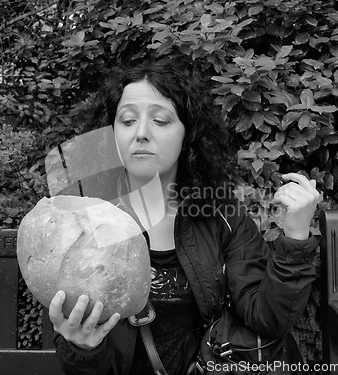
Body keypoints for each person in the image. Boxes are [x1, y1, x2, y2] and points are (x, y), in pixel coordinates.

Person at [48, 59, 321, 375]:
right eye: (127, 120)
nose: (141, 134)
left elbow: (268, 319)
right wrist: (83, 347)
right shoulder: (82, 220)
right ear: (111, 134)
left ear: (187, 133)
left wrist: (296, 237)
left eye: (161, 121)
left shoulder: (221, 214)